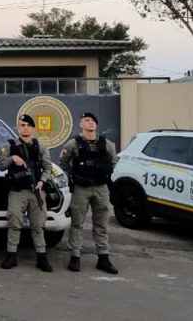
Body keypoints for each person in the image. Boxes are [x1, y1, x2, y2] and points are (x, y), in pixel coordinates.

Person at [60, 112, 119, 274]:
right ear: (81, 124)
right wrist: (74, 176)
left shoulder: (107, 144)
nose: (90, 123)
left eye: (93, 121)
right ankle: (75, 257)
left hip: (101, 188)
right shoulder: (74, 144)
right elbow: (63, 163)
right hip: (81, 188)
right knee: (77, 223)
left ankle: (103, 258)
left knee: (101, 224)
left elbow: (112, 162)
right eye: (87, 120)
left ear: (96, 125)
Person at [0, 114, 54, 272]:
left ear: (33, 128)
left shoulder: (40, 146)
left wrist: (42, 181)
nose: (25, 128)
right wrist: (12, 158)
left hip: (36, 191)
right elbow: (1, 165)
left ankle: (42, 257)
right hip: (17, 192)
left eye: (28, 125)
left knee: (38, 226)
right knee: (14, 224)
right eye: (22, 125)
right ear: (18, 127)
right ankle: (11, 256)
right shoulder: (9, 145)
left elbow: (48, 168)